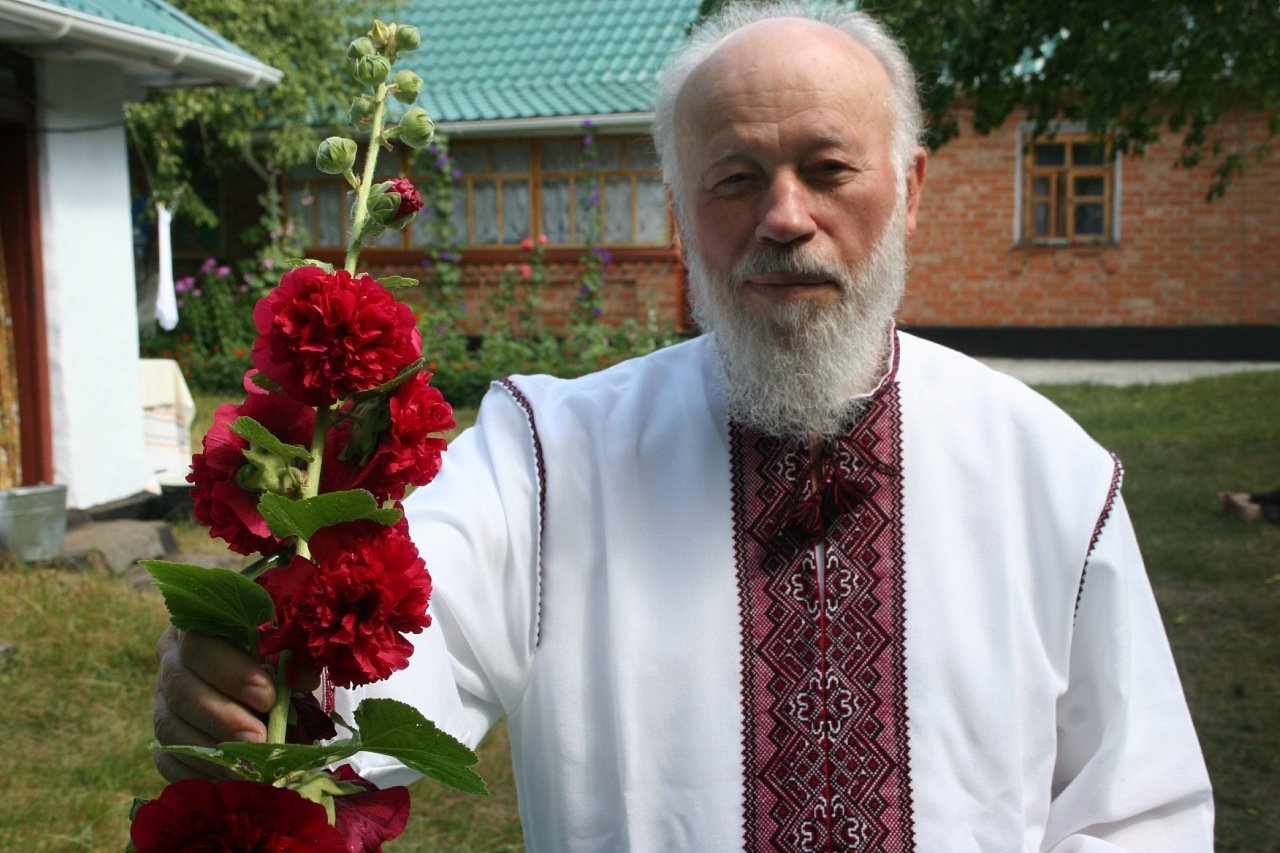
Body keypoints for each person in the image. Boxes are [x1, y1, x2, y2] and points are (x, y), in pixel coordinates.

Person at [153, 3, 1214, 849]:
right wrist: (258, 681)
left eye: (828, 169)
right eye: (734, 180)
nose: (784, 216)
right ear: (679, 213)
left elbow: (1137, 807)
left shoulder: (1048, 474)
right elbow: (396, 645)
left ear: (912, 189)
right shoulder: (548, 458)